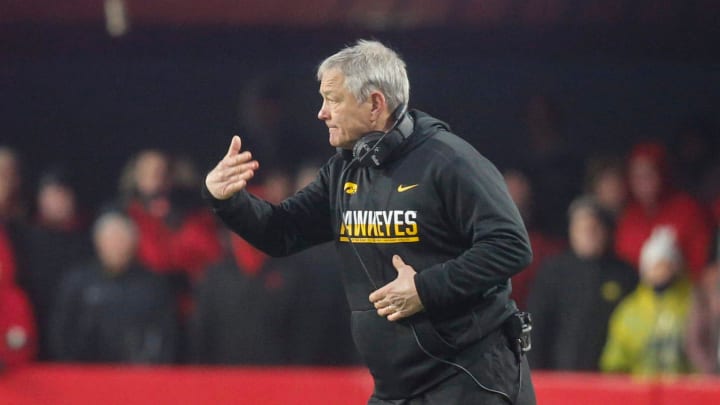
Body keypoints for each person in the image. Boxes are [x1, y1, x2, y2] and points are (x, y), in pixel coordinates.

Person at [203, 40, 535, 404]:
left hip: (471, 381)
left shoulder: (451, 162)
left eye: (333, 99)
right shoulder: (344, 169)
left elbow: (510, 246)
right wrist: (228, 199)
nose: (321, 113)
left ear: (375, 103)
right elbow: (281, 233)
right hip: (395, 389)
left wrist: (426, 289)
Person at [48, 211, 178, 363]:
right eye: (110, 239)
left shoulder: (153, 285)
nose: (116, 246)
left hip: (138, 375)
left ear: (133, 243)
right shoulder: (77, 283)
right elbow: (61, 333)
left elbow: (166, 334)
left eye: (121, 239)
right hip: (86, 374)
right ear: (97, 242)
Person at [526, 196, 637, 371]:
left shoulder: (625, 274)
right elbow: (536, 326)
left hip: (611, 376)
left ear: (606, 231)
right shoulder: (553, 272)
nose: (588, 235)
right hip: (561, 376)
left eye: (594, 228)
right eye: (582, 229)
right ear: (571, 232)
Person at [600, 226, 694, 376]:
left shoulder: (693, 306)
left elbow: (702, 358)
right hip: (640, 393)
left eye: (666, 265)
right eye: (655, 266)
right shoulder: (630, 310)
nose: (660, 271)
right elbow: (615, 361)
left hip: (684, 392)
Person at [614, 141, 712, 281]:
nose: (643, 181)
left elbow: (702, 266)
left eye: (649, 173)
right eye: (636, 175)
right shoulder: (628, 217)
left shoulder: (688, 209)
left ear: (662, 173)